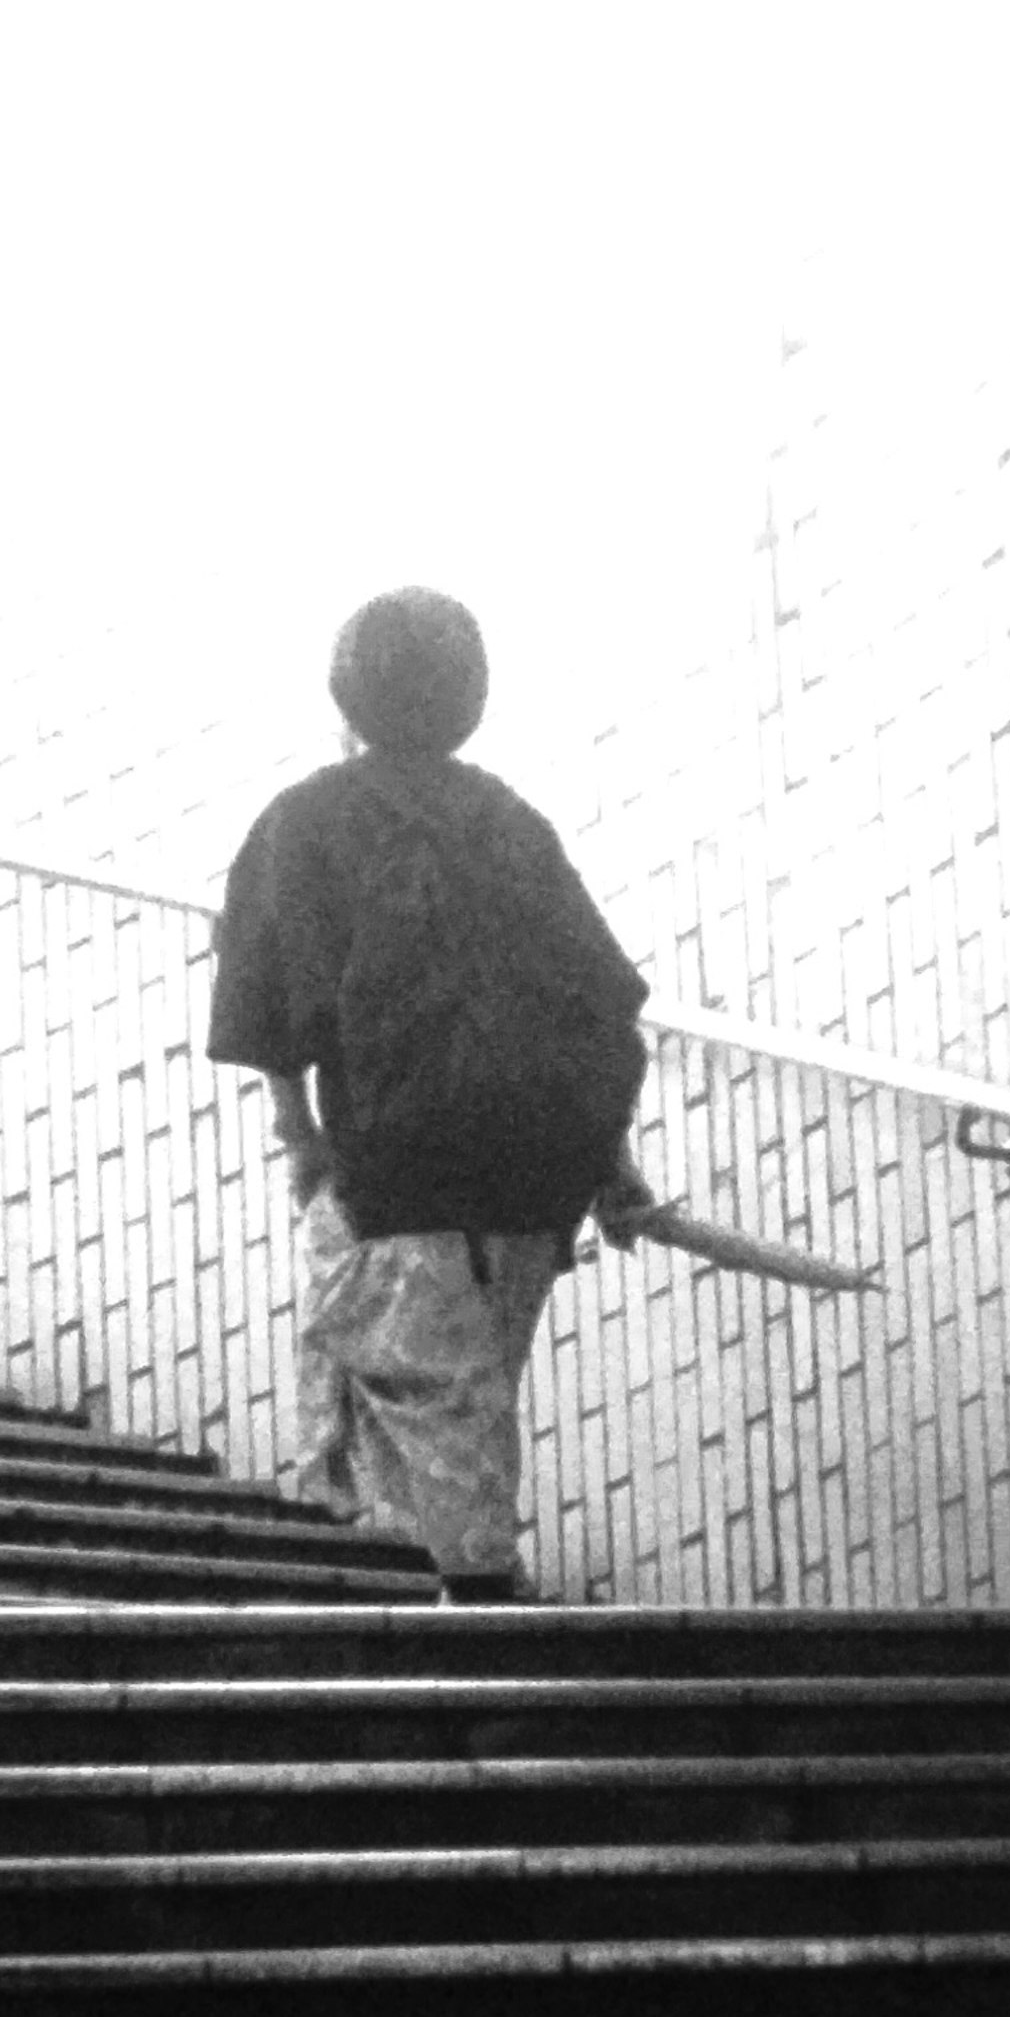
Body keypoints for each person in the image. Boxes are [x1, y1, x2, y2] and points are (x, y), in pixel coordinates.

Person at [207, 587, 654, 1596]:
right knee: (468, 1396)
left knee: (425, 1384)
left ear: (348, 692)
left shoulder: (304, 822)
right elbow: (590, 994)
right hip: (540, 1174)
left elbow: (270, 1000)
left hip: (398, 1163)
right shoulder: (511, 825)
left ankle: (483, 1604)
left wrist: (302, 1141)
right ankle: (450, 1570)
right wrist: (612, 1167)